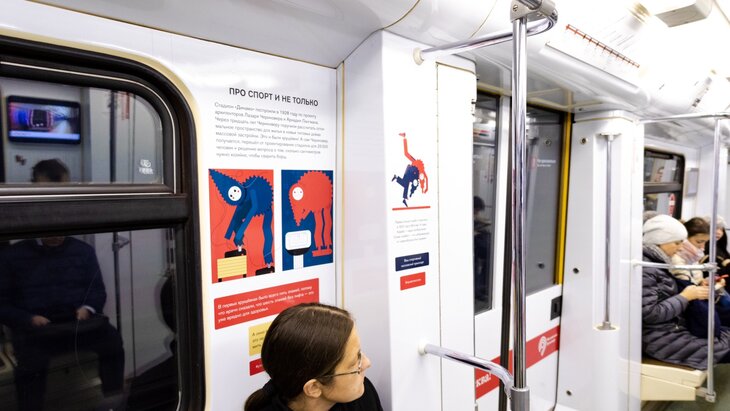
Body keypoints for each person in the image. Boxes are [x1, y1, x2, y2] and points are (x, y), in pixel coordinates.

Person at [0, 159, 125, 410]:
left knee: (112, 341)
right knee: (31, 366)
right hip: (37, 329)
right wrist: (28, 318)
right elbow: (2, 303)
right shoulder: (13, 255)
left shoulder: (82, 251)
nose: (57, 233)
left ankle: (113, 400)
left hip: (76, 323)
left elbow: (97, 291)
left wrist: (87, 308)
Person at [245, 303, 383, 411]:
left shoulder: (359, 393)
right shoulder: (353, 390)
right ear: (314, 388)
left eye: (359, 353)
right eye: (354, 363)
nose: (367, 363)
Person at [642, 214, 730, 369]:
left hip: (674, 327)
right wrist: (685, 296)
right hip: (660, 338)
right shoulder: (647, 269)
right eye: (677, 242)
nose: (681, 247)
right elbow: (650, 314)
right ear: (660, 241)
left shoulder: (658, 264)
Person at [671, 217, 730, 337]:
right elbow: (686, 288)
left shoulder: (693, 258)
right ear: (684, 239)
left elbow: (696, 281)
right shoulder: (676, 260)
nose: (702, 247)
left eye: (705, 243)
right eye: (699, 242)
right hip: (690, 308)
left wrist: (704, 282)